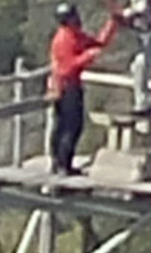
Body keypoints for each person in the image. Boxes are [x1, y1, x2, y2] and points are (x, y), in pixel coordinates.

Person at [48, 3, 123, 175]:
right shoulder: (63, 39)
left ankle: (63, 162)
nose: (77, 19)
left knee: (72, 125)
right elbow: (66, 67)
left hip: (73, 85)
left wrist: (112, 23)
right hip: (65, 86)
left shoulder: (75, 35)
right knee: (68, 126)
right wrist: (86, 57)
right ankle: (60, 164)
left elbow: (98, 43)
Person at [122, 0, 151, 114]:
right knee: (136, 66)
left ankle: (145, 102)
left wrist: (134, 12)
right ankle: (143, 102)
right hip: (141, 37)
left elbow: (145, 9)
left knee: (141, 64)